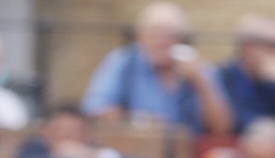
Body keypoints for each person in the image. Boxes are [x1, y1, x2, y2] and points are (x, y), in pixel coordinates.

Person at [80, 1, 233, 136]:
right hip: (136, 156)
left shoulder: (199, 68)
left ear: (183, 40)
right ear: (140, 36)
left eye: (171, 35)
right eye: (154, 34)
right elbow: (96, 111)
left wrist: (202, 84)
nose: (163, 42)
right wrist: (142, 121)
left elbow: (222, 128)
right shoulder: (123, 63)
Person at [217, 13, 275, 133]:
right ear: (249, 47)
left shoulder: (274, 83)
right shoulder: (225, 77)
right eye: (274, 45)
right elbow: (240, 124)